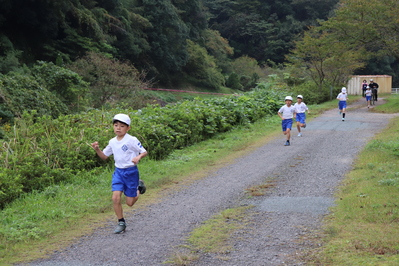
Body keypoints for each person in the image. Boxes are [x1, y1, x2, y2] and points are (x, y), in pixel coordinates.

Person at [91, 114, 148, 234]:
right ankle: (121, 222)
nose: (118, 128)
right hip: (118, 172)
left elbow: (144, 151)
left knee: (130, 203)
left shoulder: (131, 140)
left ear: (128, 128)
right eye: (116, 125)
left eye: (122, 126)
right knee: (115, 197)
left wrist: (138, 157)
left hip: (131, 172)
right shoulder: (112, 141)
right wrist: (97, 149)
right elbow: (104, 156)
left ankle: (138, 187)